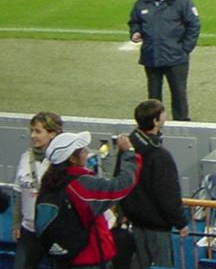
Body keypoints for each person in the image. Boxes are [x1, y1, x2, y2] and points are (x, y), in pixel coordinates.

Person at [38, 130, 140, 269]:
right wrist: (129, 153)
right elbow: (123, 184)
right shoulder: (81, 185)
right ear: (72, 158)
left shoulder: (49, 182)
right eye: (83, 150)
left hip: (62, 259)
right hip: (88, 259)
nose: (87, 152)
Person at [120, 100, 187, 269]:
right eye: (163, 114)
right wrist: (180, 222)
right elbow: (168, 194)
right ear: (156, 121)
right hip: (157, 226)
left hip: (134, 221)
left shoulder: (128, 147)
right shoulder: (160, 155)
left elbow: (120, 181)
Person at [128, 0, 201, 121]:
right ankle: (153, 122)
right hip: (151, 56)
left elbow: (194, 25)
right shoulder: (143, 2)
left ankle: (181, 122)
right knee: (153, 95)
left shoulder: (181, 2)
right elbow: (135, 21)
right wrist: (135, 32)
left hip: (175, 57)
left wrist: (185, 49)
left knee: (178, 92)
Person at [13, 111, 63, 269]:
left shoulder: (60, 163)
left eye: (38, 131)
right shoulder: (25, 158)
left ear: (52, 134)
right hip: (28, 230)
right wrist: (16, 223)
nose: (33, 135)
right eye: (32, 131)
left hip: (54, 231)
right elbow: (18, 192)